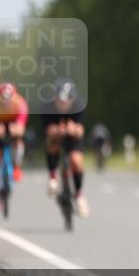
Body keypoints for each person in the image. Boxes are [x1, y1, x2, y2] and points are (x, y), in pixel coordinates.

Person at [44, 78, 90, 216]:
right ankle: (53, 177)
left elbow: (80, 131)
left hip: (73, 137)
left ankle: (79, 195)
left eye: (68, 100)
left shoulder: (79, 106)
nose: (64, 103)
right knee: (52, 144)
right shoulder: (47, 108)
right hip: (56, 135)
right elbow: (48, 131)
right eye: (61, 100)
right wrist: (58, 131)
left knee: (76, 161)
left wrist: (73, 130)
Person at [0, 82, 29, 210]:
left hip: (13, 122)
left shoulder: (21, 103)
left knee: (18, 139)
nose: (6, 104)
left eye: (9, 101)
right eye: (3, 101)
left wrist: (18, 128)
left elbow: (21, 124)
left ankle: (16, 166)